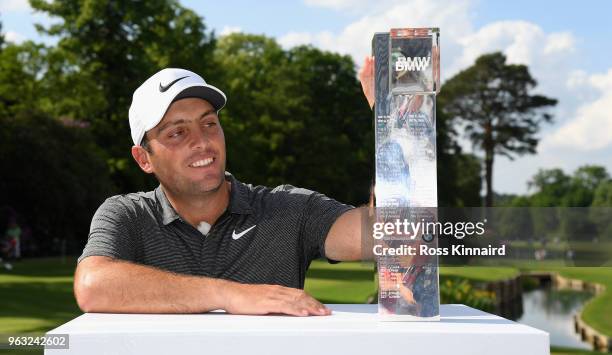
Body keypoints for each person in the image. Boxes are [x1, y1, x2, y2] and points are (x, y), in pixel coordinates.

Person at [74, 58, 376, 316]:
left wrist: (399, 115)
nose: (202, 142)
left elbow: (395, 235)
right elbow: (92, 286)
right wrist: (230, 295)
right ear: (143, 159)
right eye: (178, 132)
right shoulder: (127, 215)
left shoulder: (289, 209)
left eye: (209, 124)